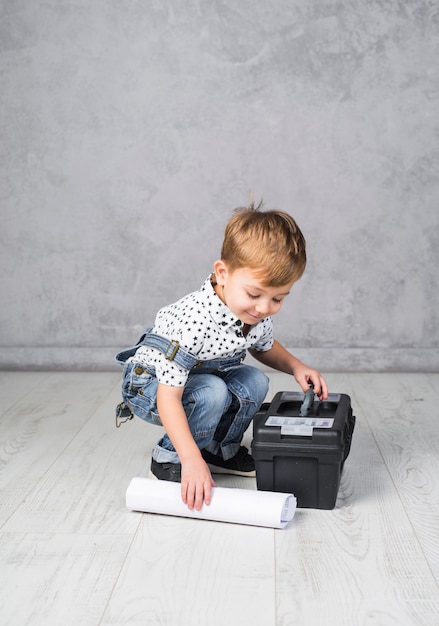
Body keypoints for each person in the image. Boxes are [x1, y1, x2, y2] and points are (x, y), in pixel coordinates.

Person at [115, 199, 328, 512]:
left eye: (278, 298)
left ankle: (219, 450)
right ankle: (170, 457)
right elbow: (167, 397)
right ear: (222, 273)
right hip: (149, 388)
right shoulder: (194, 321)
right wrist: (190, 460)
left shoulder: (254, 311)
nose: (264, 308)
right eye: (255, 294)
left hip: (200, 379)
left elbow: (264, 346)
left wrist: (297, 367)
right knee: (212, 392)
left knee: (254, 379)